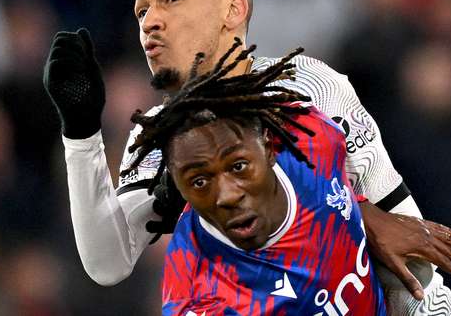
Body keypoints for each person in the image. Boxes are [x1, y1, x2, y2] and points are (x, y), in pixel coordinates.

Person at [43, 0, 451, 313]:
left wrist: (363, 217)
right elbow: (108, 263)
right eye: (141, 10)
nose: (149, 21)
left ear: (234, 10)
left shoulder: (311, 88)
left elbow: (407, 235)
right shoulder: (158, 139)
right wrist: (81, 136)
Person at [126, 41, 385, 313]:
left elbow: (340, 185)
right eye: (199, 182)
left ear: (269, 148)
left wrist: (371, 215)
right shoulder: (194, 293)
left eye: (238, 166)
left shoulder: (314, 137)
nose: (228, 195)